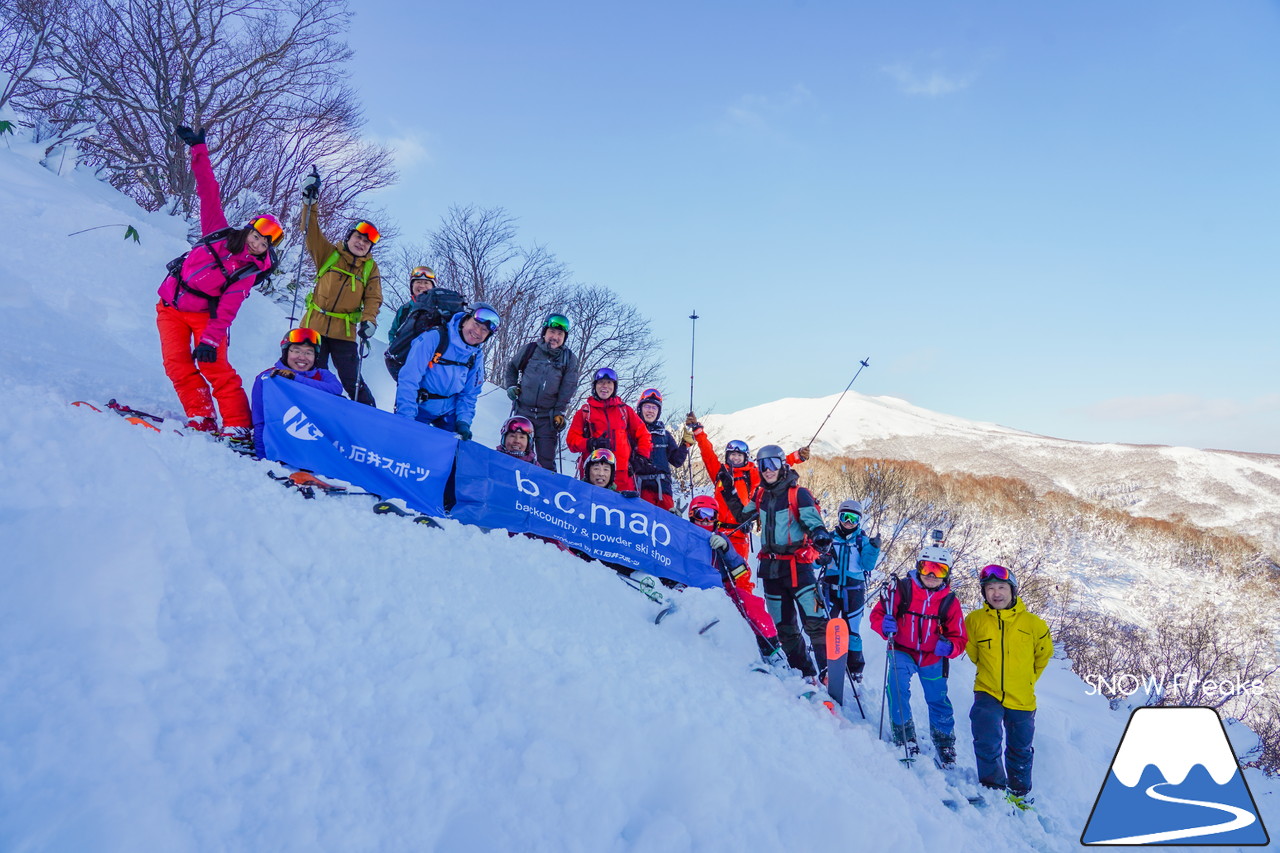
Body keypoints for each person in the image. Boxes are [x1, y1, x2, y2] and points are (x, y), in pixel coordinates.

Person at [158, 125, 280, 446]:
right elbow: (207, 190)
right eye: (256, 235)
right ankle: (201, 415)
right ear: (249, 229)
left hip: (206, 316)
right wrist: (199, 149)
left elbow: (227, 310)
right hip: (170, 305)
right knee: (176, 364)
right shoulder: (218, 232)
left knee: (215, 367)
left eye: (265, 243)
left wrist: (210, 341)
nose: (257, 244)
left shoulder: (247, 271)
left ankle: (238, 424)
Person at [870, 544, 969, 765]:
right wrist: (884, 625)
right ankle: (904, 735)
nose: (932, 575)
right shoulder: (901, 590)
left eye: (939, 570)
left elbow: (960, 638)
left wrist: (950, 647)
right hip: (902, 649)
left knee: (937, 699)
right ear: (918, 567)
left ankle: (944, 743)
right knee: (897, 689)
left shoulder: (949, 602)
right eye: (927, 568)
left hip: (932, 656)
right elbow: (878, 614)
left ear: (947, 574)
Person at [739, 445, 831, 680]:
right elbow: (743, 516)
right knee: (785, 628)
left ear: (783, 465)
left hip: (798, 567)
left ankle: (828, 672)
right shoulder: (759, 494)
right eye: (763, 465)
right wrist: (731, 494)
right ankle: (804, 673)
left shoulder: (798, 493)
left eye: (773, 464)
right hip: (771, 570)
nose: (768, 470)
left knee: (815, 622)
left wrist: (820, 534)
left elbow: (813, 520)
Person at [965, 565, 1053, 808]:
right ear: (984, 593)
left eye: (1001, 587)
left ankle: (1018, 792)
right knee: (986, 736)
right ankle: (993, 787)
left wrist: (1024, 680)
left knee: (1020, 747)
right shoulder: (975, 620)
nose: (996, 593)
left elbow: (1043, 656)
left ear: (1013, 590)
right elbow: (973, 652)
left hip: (1022, 695)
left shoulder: (1034, 624)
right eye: (990, 588)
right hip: (987, 689)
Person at [297, 167, 382, 406]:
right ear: (348, 237)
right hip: (314, 325)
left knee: (351, 379)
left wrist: (369, 320)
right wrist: (309, 201)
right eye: (358, 237)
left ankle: (369, 417)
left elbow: (374, 298)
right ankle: (313, 411)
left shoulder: (369, 269)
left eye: (366, 242)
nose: (361, 243)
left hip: (344, 332)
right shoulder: (329, 254)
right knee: (314, 372)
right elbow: (310, 230)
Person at [686, 414, 809, 561]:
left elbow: (773, 465)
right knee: (714, 568)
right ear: (727, 456)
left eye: (739, 455)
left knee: (738, 571)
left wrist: (797, 456)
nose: (736, 458)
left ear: (746, 457)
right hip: (715, 531)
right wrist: (698, 431)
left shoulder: (751, 474)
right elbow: (708, 454)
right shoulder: (720, 473)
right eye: (732, 455)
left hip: (739, 532)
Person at [690, 496, 781, 663]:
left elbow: (740, 570)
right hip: (688, 586)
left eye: (710, 515)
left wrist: (726, 550)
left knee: (752, 604)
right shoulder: (684, 534)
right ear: (691, 514)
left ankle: (771, 648)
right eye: (701, 514)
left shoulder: (720, 538)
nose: (705, 520)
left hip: (720, 588)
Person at [394, 303, 499, 441]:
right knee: (406, 447)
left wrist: (463, 422)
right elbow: (409, 379)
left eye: (485, 330)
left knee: (451, 456)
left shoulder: (475, 355)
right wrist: (406, 417)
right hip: (419, 406)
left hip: (449, 411)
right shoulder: (435, 337)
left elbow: (469, 393)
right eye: (476, 324)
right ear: (465, 320)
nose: (478, 332)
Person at [504, 313, 580, 472]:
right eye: (552, 332)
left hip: (548, 417)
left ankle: (547, 493)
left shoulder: (569, 358)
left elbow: (568, 387)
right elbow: (511, 368)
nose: (555, 337)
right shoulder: (530, 349)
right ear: (544, 332)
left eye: (560, 334)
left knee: (546, 462)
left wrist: (560, 411)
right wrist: (511, 386)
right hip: (524, 411)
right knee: (516, 453)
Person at [250, 328, 342, 459]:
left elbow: (336, 389)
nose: (302, 357)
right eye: (296, 351)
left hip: (317, 448)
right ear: (286, 352)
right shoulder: (268, 378)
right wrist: (263, 456)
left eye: (309, 352)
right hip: (284, 447)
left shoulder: (322, 375)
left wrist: (296, 379)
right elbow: (261, 420)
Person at [818, 499, 882, 681]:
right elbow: (815, 562)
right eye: (845, 517)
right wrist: (821, 558)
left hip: (853, 591)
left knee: (852, 630)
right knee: (826, 626)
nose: (848, 522)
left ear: (859, 521)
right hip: (830, 588)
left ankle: (855, 668)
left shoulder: (862, 541)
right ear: (838, 517)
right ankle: (824, 661)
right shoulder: (829, 538)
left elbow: (867, 565)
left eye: (853, 519)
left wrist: (874, 548)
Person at [566, 368, 651, 491]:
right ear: (594, 386)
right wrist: (591, 443)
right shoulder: (585, 412)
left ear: (614, 387)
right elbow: (571, 441)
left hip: (622, 474)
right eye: (600, 382)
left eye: (609, 383)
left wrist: (641, 458)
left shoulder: (625, 411)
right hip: (594, 473)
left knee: (623, 509)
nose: (604, 386)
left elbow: (644, 435)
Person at [631, 388, 688, 511]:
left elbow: (677, 461)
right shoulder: (632, 432)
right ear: (640, 408)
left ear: (658, 412)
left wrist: (685, 444)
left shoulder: (664, 435)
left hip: (664, 490)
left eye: (654, 408)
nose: (650, 411)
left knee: (667, 525)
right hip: (641, 488)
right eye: (647, 406)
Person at [387, 266, 436, 342]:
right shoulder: (404, 309)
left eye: (426, 282)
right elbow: (393, 333)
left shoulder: (439, 308)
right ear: (412, 285)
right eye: (418, 282)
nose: (422, 286)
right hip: (407, 352)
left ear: (433, 287)